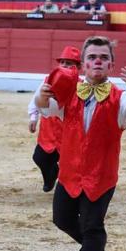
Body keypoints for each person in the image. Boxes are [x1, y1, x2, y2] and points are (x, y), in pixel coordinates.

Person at [34, 36, 126, 251]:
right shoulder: (69, 91)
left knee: (91, 224)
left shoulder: (122, 97)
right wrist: (42, 95)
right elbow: (46, 108)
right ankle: (95, 250)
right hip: (69, 171)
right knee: (62, 219)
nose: (98, 61)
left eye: (104, 58)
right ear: (83, 65)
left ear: (111, 66)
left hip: (101, 175)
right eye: (92, 57)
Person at [28, 46, 81, 193]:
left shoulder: (83, 86)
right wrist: (33, 117)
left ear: (78, 67)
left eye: (70, 63)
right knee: (39, 157)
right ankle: (50, 177)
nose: (65, 65)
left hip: (69, 133)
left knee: (70, 164)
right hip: (49, 131)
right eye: (62, 62)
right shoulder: (49, 80)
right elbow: (36, 98)